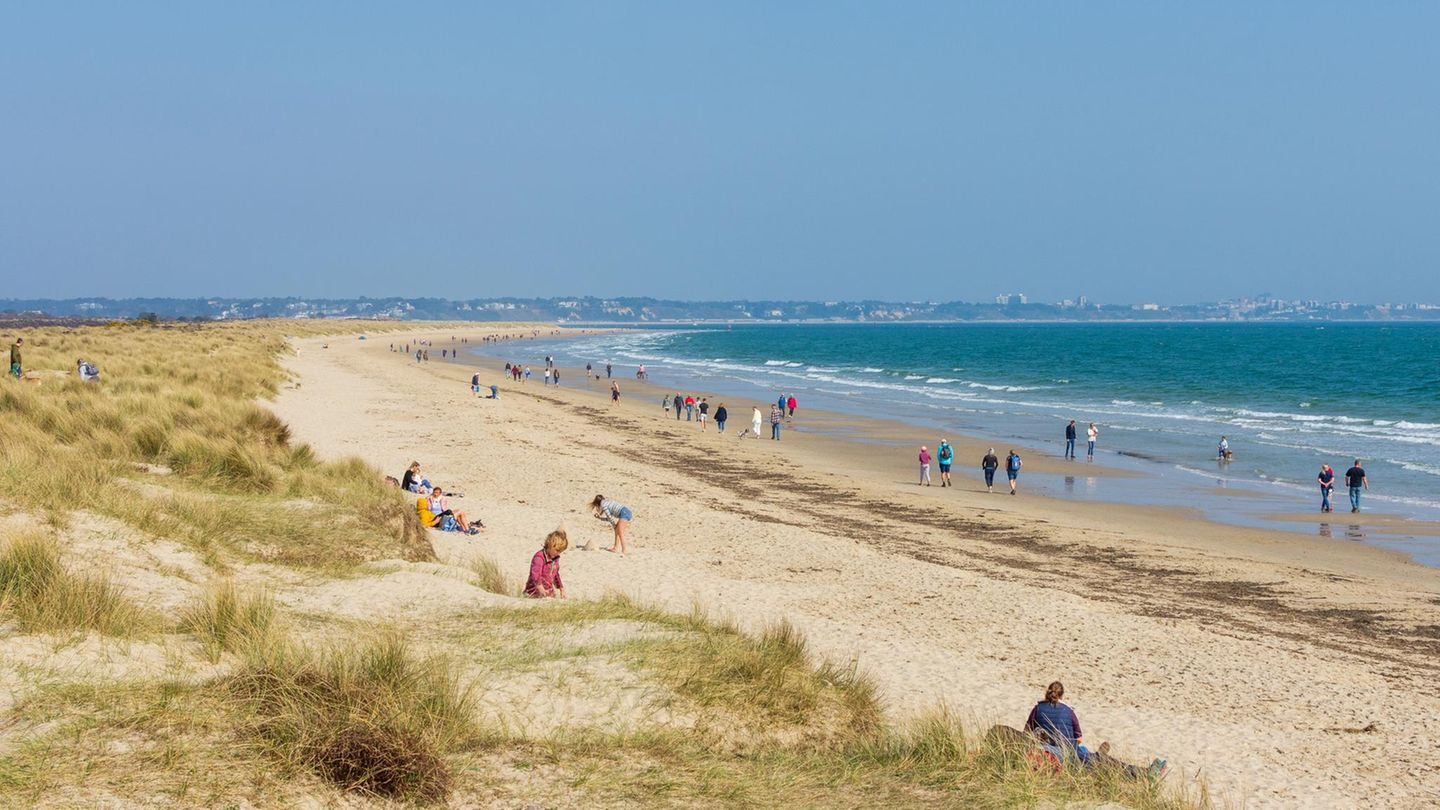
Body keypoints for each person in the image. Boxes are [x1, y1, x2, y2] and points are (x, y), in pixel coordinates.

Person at [1024, 681, 1166, 780]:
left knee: (1093, 756)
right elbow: (1079, 738)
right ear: (1061, 696)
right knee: (1100, 760)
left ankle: (1141, 772)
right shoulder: (1068, 711)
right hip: (1067, 754)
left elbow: (1027, 732)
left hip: (1046, 750)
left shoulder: (1037, 709)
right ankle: (1144, 773)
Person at [525, 529, 569, 599]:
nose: (558, 553)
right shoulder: (539, 557)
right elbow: (535, 575)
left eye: (560, 551)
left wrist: (561, 588)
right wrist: (540, 588)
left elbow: (556, 574)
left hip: (548, 592)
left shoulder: (555, 558)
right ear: (550, 545)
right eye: (557, 550)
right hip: (533, 593)